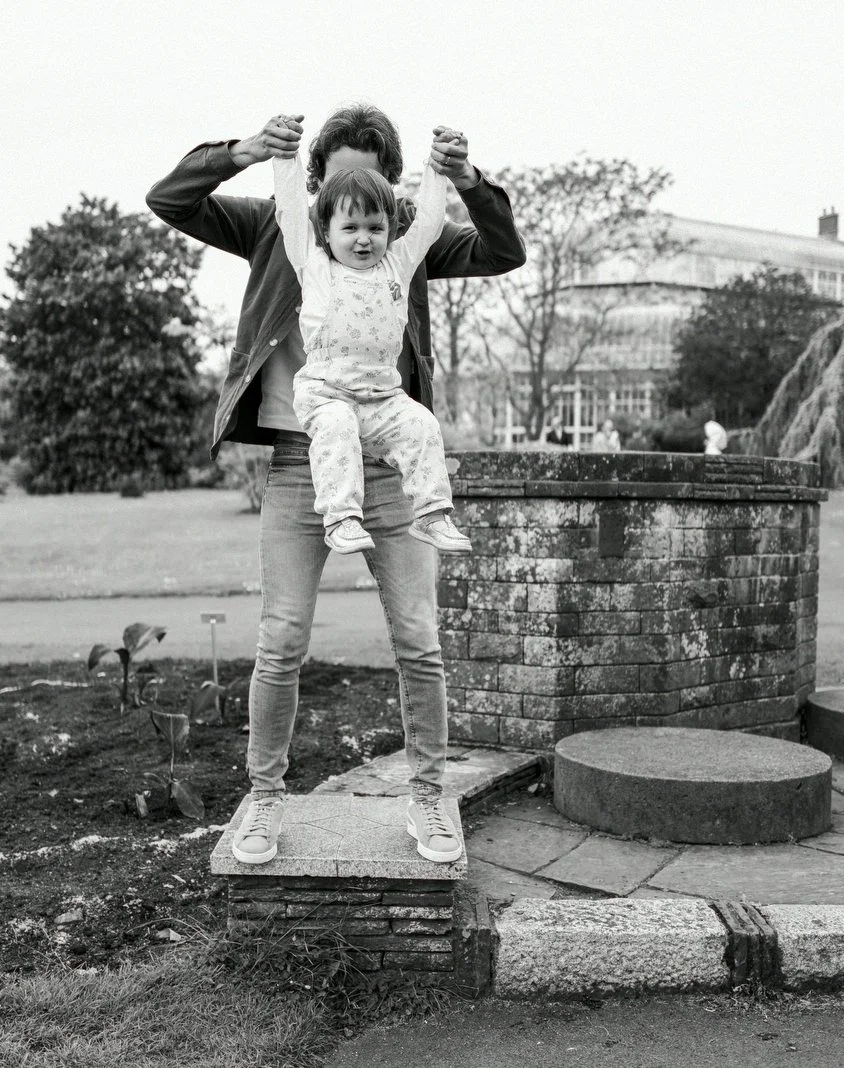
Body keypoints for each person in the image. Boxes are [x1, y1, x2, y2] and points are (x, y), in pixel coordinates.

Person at [146, 107, 525, 867]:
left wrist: (468, 179)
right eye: (343, 185)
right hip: (297, 466)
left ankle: (428, 799)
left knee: (420, 643)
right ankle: (263, 800)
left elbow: (502, 250)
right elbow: (170, 199)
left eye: (377, 188)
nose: (361, 211)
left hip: (388, 465)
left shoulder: (394, 235)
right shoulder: (271, 227)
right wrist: (250, 151)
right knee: (279, 642)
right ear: (316, 183)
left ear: (389, 194)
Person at [272, 140, 470, 556]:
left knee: (422, 425)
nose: (364, 239)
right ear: (325, 232)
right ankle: (341, 518)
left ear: (391, 230)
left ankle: (432, 515)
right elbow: (290, 213)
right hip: (328, 394)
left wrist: (436, 170)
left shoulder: (397, 264)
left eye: (375, 228)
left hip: (383, 399)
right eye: (350, 228)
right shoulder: (314, 265)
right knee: (338, 426)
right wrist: (286, 159)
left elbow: (431, 222)